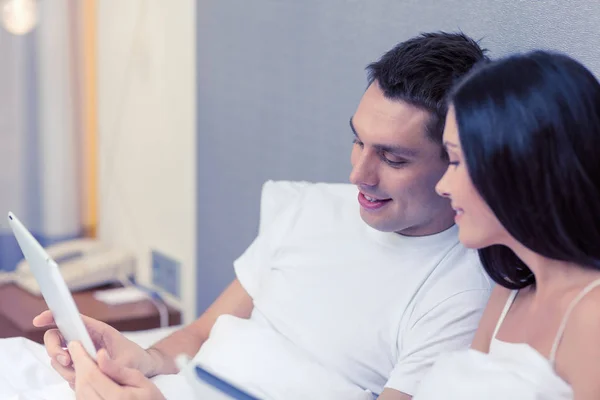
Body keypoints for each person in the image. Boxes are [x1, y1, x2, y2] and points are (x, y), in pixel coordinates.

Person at [34, 32, 492, 400]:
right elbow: (196, 336)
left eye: (393, 160)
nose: (358, 175)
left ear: (457, 159)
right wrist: (137, 359)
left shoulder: (459, 290)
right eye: (358, 142)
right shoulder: (312, 211)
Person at [413, 50, 600, 400]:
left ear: (515, 164)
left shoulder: (592, 316)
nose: (442, 186)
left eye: (454, 161)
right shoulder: (510, 293)